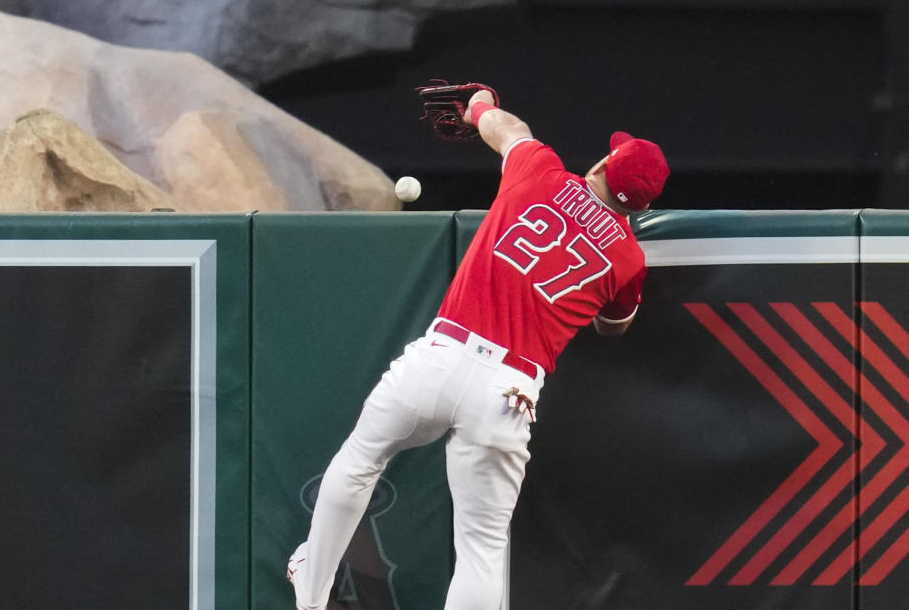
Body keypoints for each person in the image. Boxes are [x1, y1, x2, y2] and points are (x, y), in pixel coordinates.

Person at [287, 87, 670, 610]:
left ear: (605, 161)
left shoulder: (543, 171)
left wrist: (481, 105)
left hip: (444, 356)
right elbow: (613, 328)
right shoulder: (628, 260)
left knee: (359, 460)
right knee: (482, 550)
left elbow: (508, 129)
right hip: (509, 392)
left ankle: (311, 596)